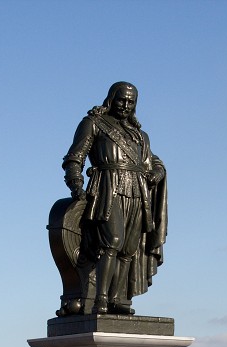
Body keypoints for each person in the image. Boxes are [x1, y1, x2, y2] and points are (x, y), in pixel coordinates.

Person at [63, 81, 167, 315]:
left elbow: (152, 161)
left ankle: (118, 299)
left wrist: (158, 172)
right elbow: (74, 157)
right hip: (108, 188)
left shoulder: (140, 135)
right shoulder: (93, 123)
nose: (126, 105)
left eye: (131, 102)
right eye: (122, 100)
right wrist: (76, 185)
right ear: (111, 99)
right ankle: (100, 299)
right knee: (113, 241)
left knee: (129, 248)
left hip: (137, 191)